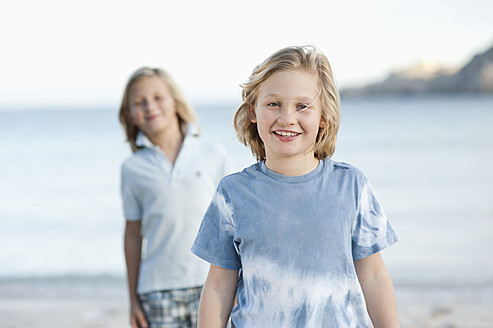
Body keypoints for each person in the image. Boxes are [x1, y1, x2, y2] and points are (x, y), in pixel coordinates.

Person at [191, 46, 400, 327]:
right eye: (273, 104)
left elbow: (374, 276)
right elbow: (218, 286)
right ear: (253, 111)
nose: (287, 117)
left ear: (323, 117)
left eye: (302, 106)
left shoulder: (351, 186)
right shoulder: (232, 193)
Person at [119, 67, 231, 328]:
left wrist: (239, 281)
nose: (150, 106)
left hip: (212, 284)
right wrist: (133, 300)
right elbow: (132, 235)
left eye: (158, 97)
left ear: (175, 103)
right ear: (130, 115)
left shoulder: (212, 153)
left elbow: (232, 223)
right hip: (157, 291)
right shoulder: (132, 168)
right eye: (139, 102)